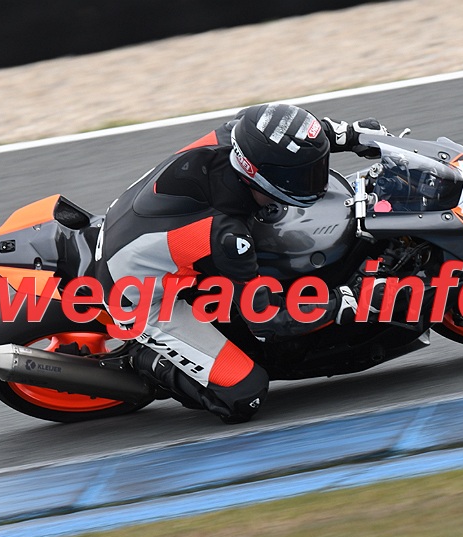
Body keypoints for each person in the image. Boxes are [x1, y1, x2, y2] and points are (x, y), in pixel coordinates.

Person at [96, 103, 388, 423]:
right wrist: (346, 300)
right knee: (244, 394)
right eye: (302, 176)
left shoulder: (241, 134)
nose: (314, 180)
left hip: (131, 221)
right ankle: (145, 358)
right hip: (136, 296)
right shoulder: (227, 236)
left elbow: (289, 137)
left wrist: (352, 134)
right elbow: (268, 320)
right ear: (260, 175)